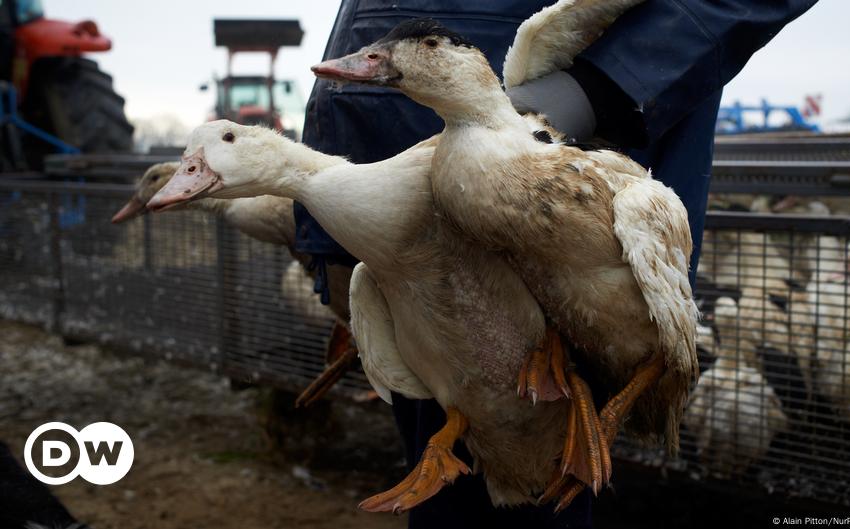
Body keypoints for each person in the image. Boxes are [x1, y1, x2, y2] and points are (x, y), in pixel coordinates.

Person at [295, 1, 817, 527]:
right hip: (390, 179)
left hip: (551, 153)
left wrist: (603, 84)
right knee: (447, 461)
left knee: (540, 469)